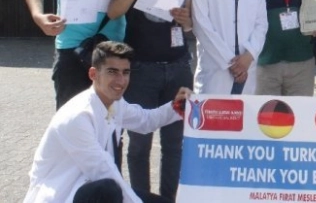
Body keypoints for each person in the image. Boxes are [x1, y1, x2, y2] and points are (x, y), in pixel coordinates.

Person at [23, 41, 191, 203]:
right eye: (112, 72)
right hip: (63, 195)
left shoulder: (115, 103)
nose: (121, 80)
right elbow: (102, 171)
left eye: (125, 72)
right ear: (93, 74)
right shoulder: (78, 116)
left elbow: (145, 121)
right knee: (107, 189)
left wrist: (177, 106)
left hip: (92, 188)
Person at [106, 0, 194, 200]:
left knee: (174, 144)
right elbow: (114, 9)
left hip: (178, 67)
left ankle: (168, 199)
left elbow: (189, 24)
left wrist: (186, 20)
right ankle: (139, 198)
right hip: (141, 68)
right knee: (140, 143)